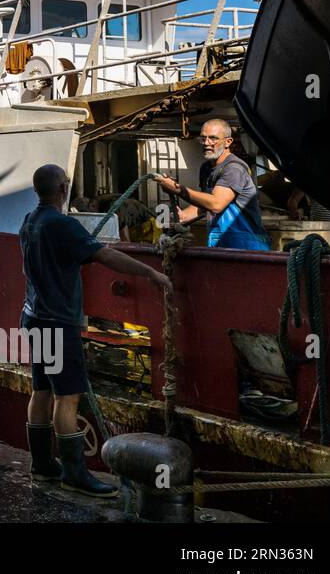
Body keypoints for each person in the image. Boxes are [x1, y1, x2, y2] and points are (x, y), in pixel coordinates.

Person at [20, 163, 172, 498]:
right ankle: (74, 473)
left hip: (33, 317)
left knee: (41, 390)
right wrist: (151, 273)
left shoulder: (29, 221)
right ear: (63, 189)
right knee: (67, 396)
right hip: (58, 323)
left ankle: (42, 464)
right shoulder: (62, 224)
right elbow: (105, 256)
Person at [154, 118, 270, 250]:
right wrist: (183, 216)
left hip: (247, 246)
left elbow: (216, 204)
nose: (206, 143)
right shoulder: (206, 169)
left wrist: (177, 189)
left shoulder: (233, 169)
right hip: (220, 244)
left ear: (228, 142)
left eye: (213, 138)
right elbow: (205, 205)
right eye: (203, 138)